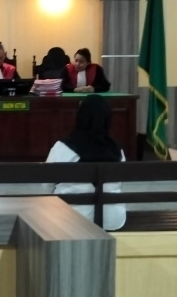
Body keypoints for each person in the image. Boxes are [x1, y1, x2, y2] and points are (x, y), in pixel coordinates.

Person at [44, 94, 126, 230]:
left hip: (70, 218)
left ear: (80, 117)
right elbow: (118, 184)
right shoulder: (117, 150)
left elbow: (46, 184)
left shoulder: (62, 147)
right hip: (112, 219)